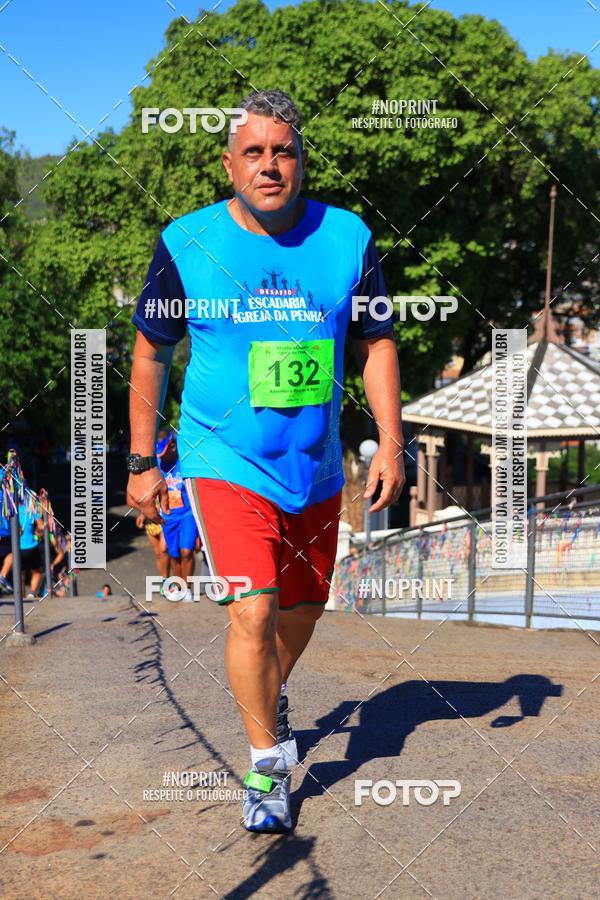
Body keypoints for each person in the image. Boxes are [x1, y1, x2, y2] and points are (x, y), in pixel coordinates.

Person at [127, 90, 405, 833]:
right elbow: (150, 354)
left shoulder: (347, 237)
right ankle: (267, 764)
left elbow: (376, 342)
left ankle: (268, 691)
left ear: (302, 160)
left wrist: (393, 439)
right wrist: (140, 461)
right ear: (230, 164)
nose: (270, 164)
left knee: (304, 609)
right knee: (252, 609)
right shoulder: (187, 241)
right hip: (224, 461)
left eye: (284, 150)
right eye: (255, 152)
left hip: (314, 467)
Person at [154, 430, 200, 602]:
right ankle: (179, 587)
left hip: (188, 514)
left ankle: (188, 588)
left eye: (165, 453)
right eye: (160, 454)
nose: (163, 457)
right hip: (168, 517)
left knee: (186, 551)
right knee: (174, 554)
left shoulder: (186, 461)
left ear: (173, 446)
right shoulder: (158, 464)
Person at [18, 503, 44, 599]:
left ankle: (20, 597)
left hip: (17, 548)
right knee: (36, 571)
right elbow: (41, 526)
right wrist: (37, 535)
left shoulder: (10, 508)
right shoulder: (30, 508)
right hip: (31, 546)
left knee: (20, 574)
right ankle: (32, 593)